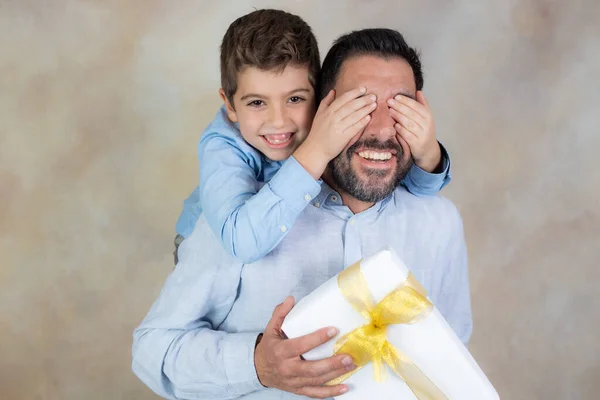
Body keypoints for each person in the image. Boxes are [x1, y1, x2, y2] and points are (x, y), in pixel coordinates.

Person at [132, 28, 471, 400]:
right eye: (360, 105)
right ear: (322, 110)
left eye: (401, 107)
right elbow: (153, 351)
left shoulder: (440, 223)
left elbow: (448, 358)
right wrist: (256, 365)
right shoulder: (244, 217)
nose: (382, 129)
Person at [172, 9, 451, 265]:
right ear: (230, 105)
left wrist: (427, 152)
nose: (278, 121)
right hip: (216, 251)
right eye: (257, 103)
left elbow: (406, 184)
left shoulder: (322, 122)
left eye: (295, 98)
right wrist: (315, 151)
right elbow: (243, 242)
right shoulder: (222, 145)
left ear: (319, 94)